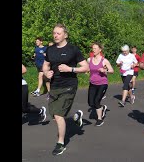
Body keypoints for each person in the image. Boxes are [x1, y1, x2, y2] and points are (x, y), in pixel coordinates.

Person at [43, 23, 89, 156]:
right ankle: (76, 115)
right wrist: (46, 73)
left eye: (58, 33)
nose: (55, 35)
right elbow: (45, 65)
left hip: (69, 84)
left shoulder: (73, 50)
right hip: (55, 85)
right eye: (54, 33)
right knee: (55, 115)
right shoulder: (50, 49)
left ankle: (60, 143)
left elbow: (86, 67)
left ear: (65, 35)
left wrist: (71, 69)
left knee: (58, 114)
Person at [78, 42, 114, 127]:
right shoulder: (89, 60)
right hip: (92, 83)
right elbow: (86, 69)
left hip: (102, 83)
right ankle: (102, 108)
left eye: (95, 48)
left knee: (96, 101)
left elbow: (112, 71)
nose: (93, 50)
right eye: (92, 48)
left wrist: (105, 70)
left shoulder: (104, 60)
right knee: (91, 103)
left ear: (100, 50)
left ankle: (99, 119)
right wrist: (86, 71)